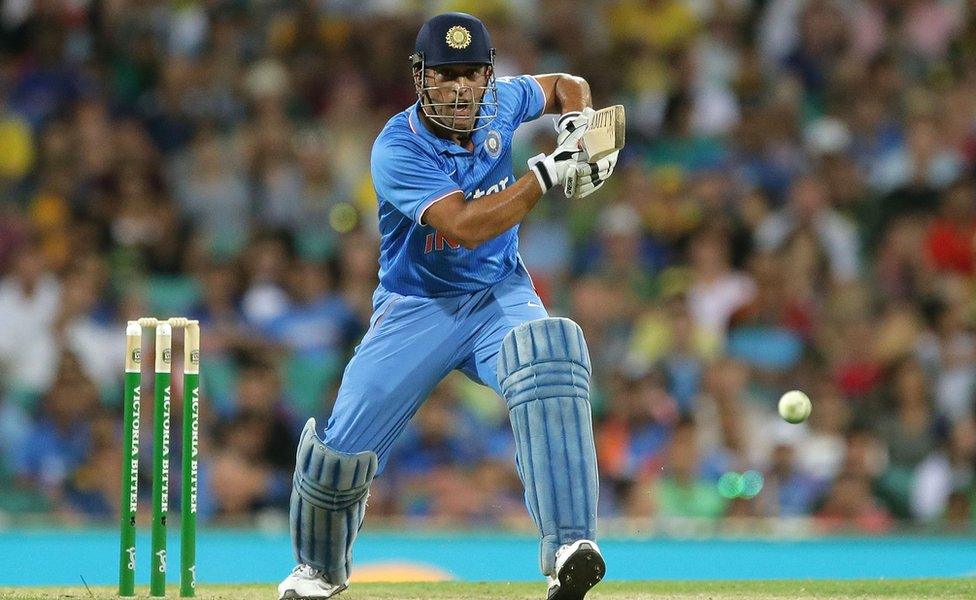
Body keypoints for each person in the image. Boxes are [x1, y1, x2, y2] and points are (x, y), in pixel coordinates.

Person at [276, 12, 619, 600]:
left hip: (499, 295)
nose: (459, 89)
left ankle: (568, 547)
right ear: (420, 77)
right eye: (444, 76)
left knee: (551, 351)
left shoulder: (502, 103)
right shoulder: (397, 147)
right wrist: (547, 171)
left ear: (488, 75)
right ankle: (319, 571)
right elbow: (463, 227)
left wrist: (578, 122)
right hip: (418, 308)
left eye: (470, 75)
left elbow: (565, 84)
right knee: (339, 458)